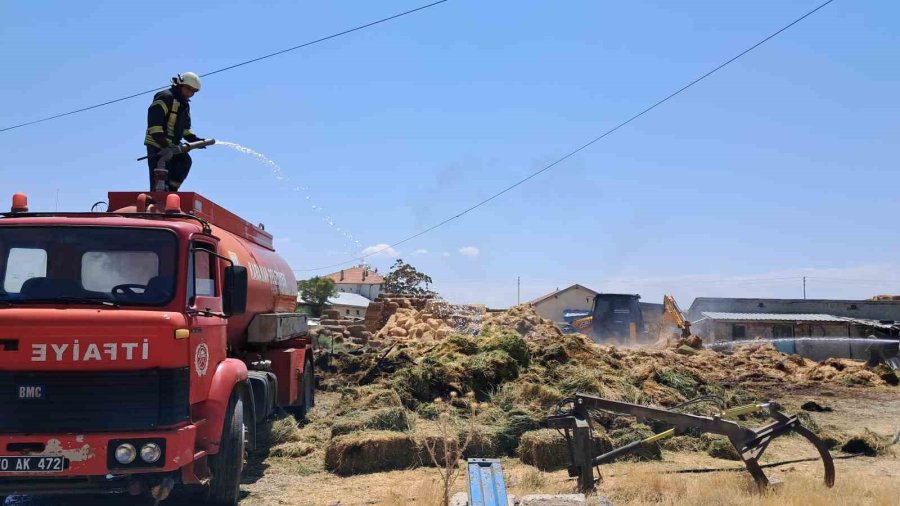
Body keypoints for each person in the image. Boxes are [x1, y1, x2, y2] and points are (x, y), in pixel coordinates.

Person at [143, 72, 206, 191]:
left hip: (173, 146)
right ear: (179, 85)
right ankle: (159, 195)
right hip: (157, 144)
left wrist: (195, 140)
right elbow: (155, 125)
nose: (190, 93)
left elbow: (185, 129)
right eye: (188, 89)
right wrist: (164, 145)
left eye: (193, 91)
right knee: (160, 175)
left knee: (184, 162)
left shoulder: (184, 105)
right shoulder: (165, 97)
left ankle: (171, 190)